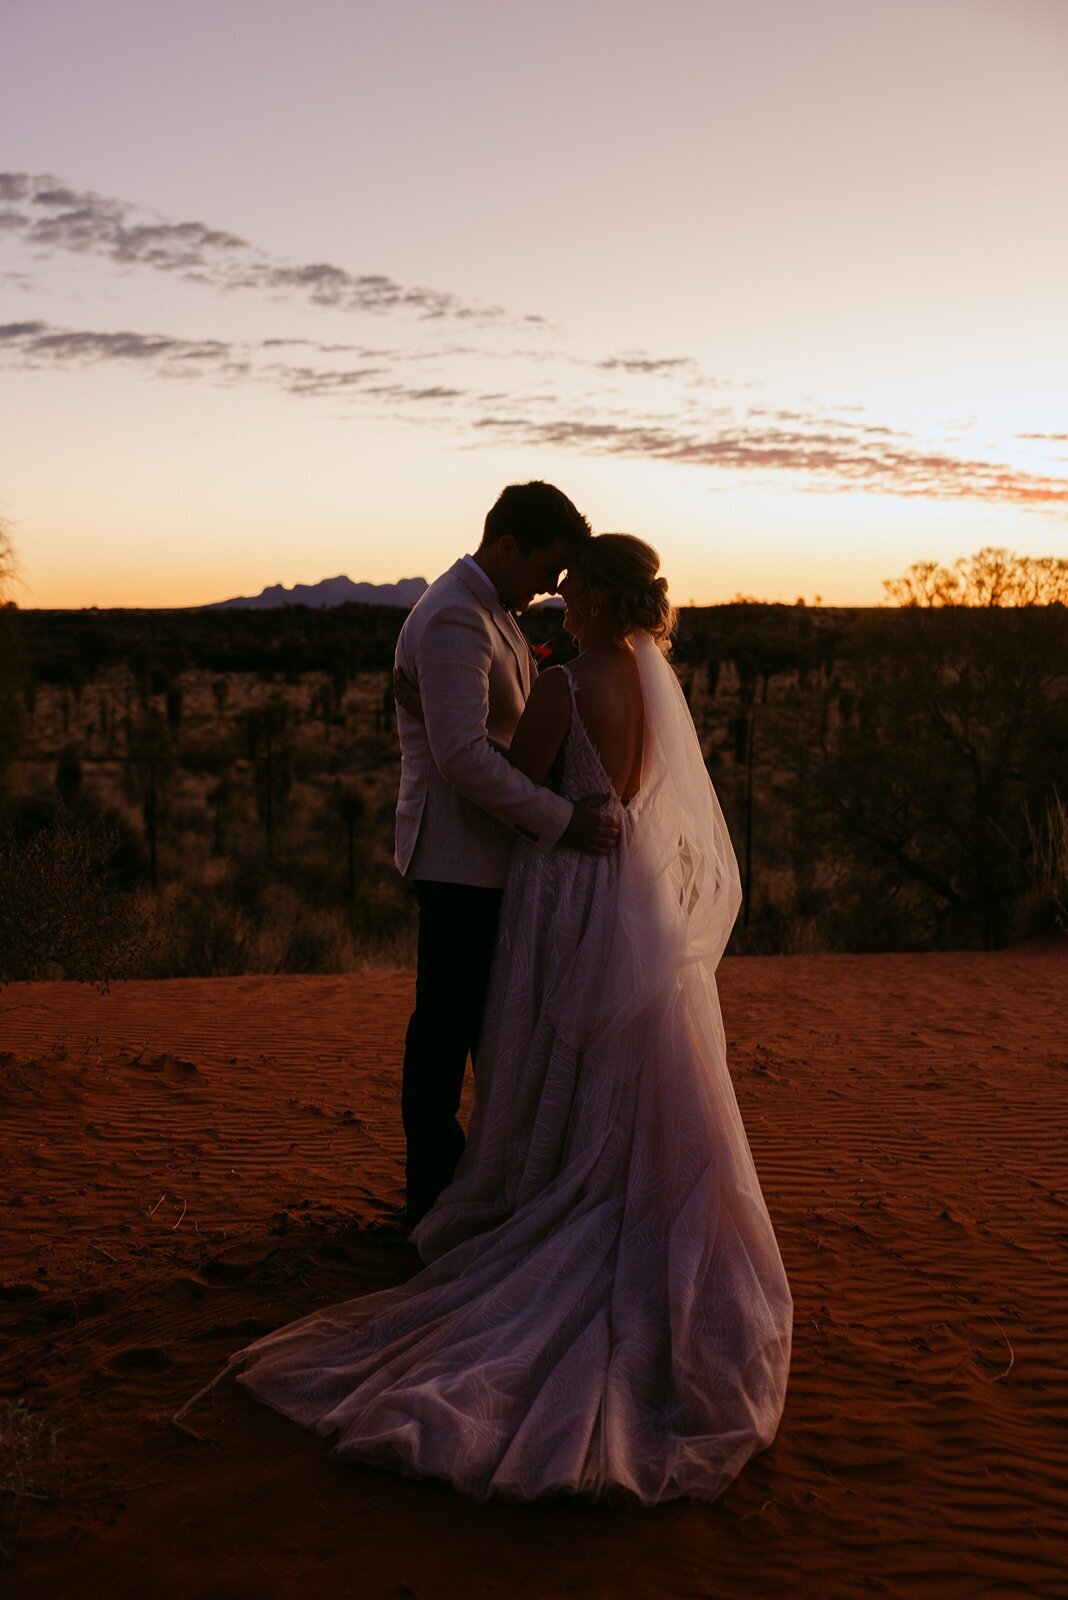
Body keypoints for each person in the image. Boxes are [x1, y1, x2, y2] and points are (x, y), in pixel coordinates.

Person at [227, 533, 794, 1505]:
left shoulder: (568, 685)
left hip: (566, 884)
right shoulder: (648, 677)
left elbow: (513, 782)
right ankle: (604, 1179)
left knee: (548, 1036)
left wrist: (428, 716)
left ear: (601, 601)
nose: (558, 602)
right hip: (631, 890)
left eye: (571, 592)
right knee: (620, 1054)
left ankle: (545, 1191)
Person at [391, 481, 620, 1225]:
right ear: (509, 545)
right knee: (447, 1030)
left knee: (485, 1027)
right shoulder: (458, 616)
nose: (550, 588)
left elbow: (495, 720)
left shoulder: (488, 611)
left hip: (491, 855)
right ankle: (432, 1197)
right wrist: (562, 819)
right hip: (461, 859)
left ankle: (479, 1183)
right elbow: (462, 756)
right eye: (546, 569)